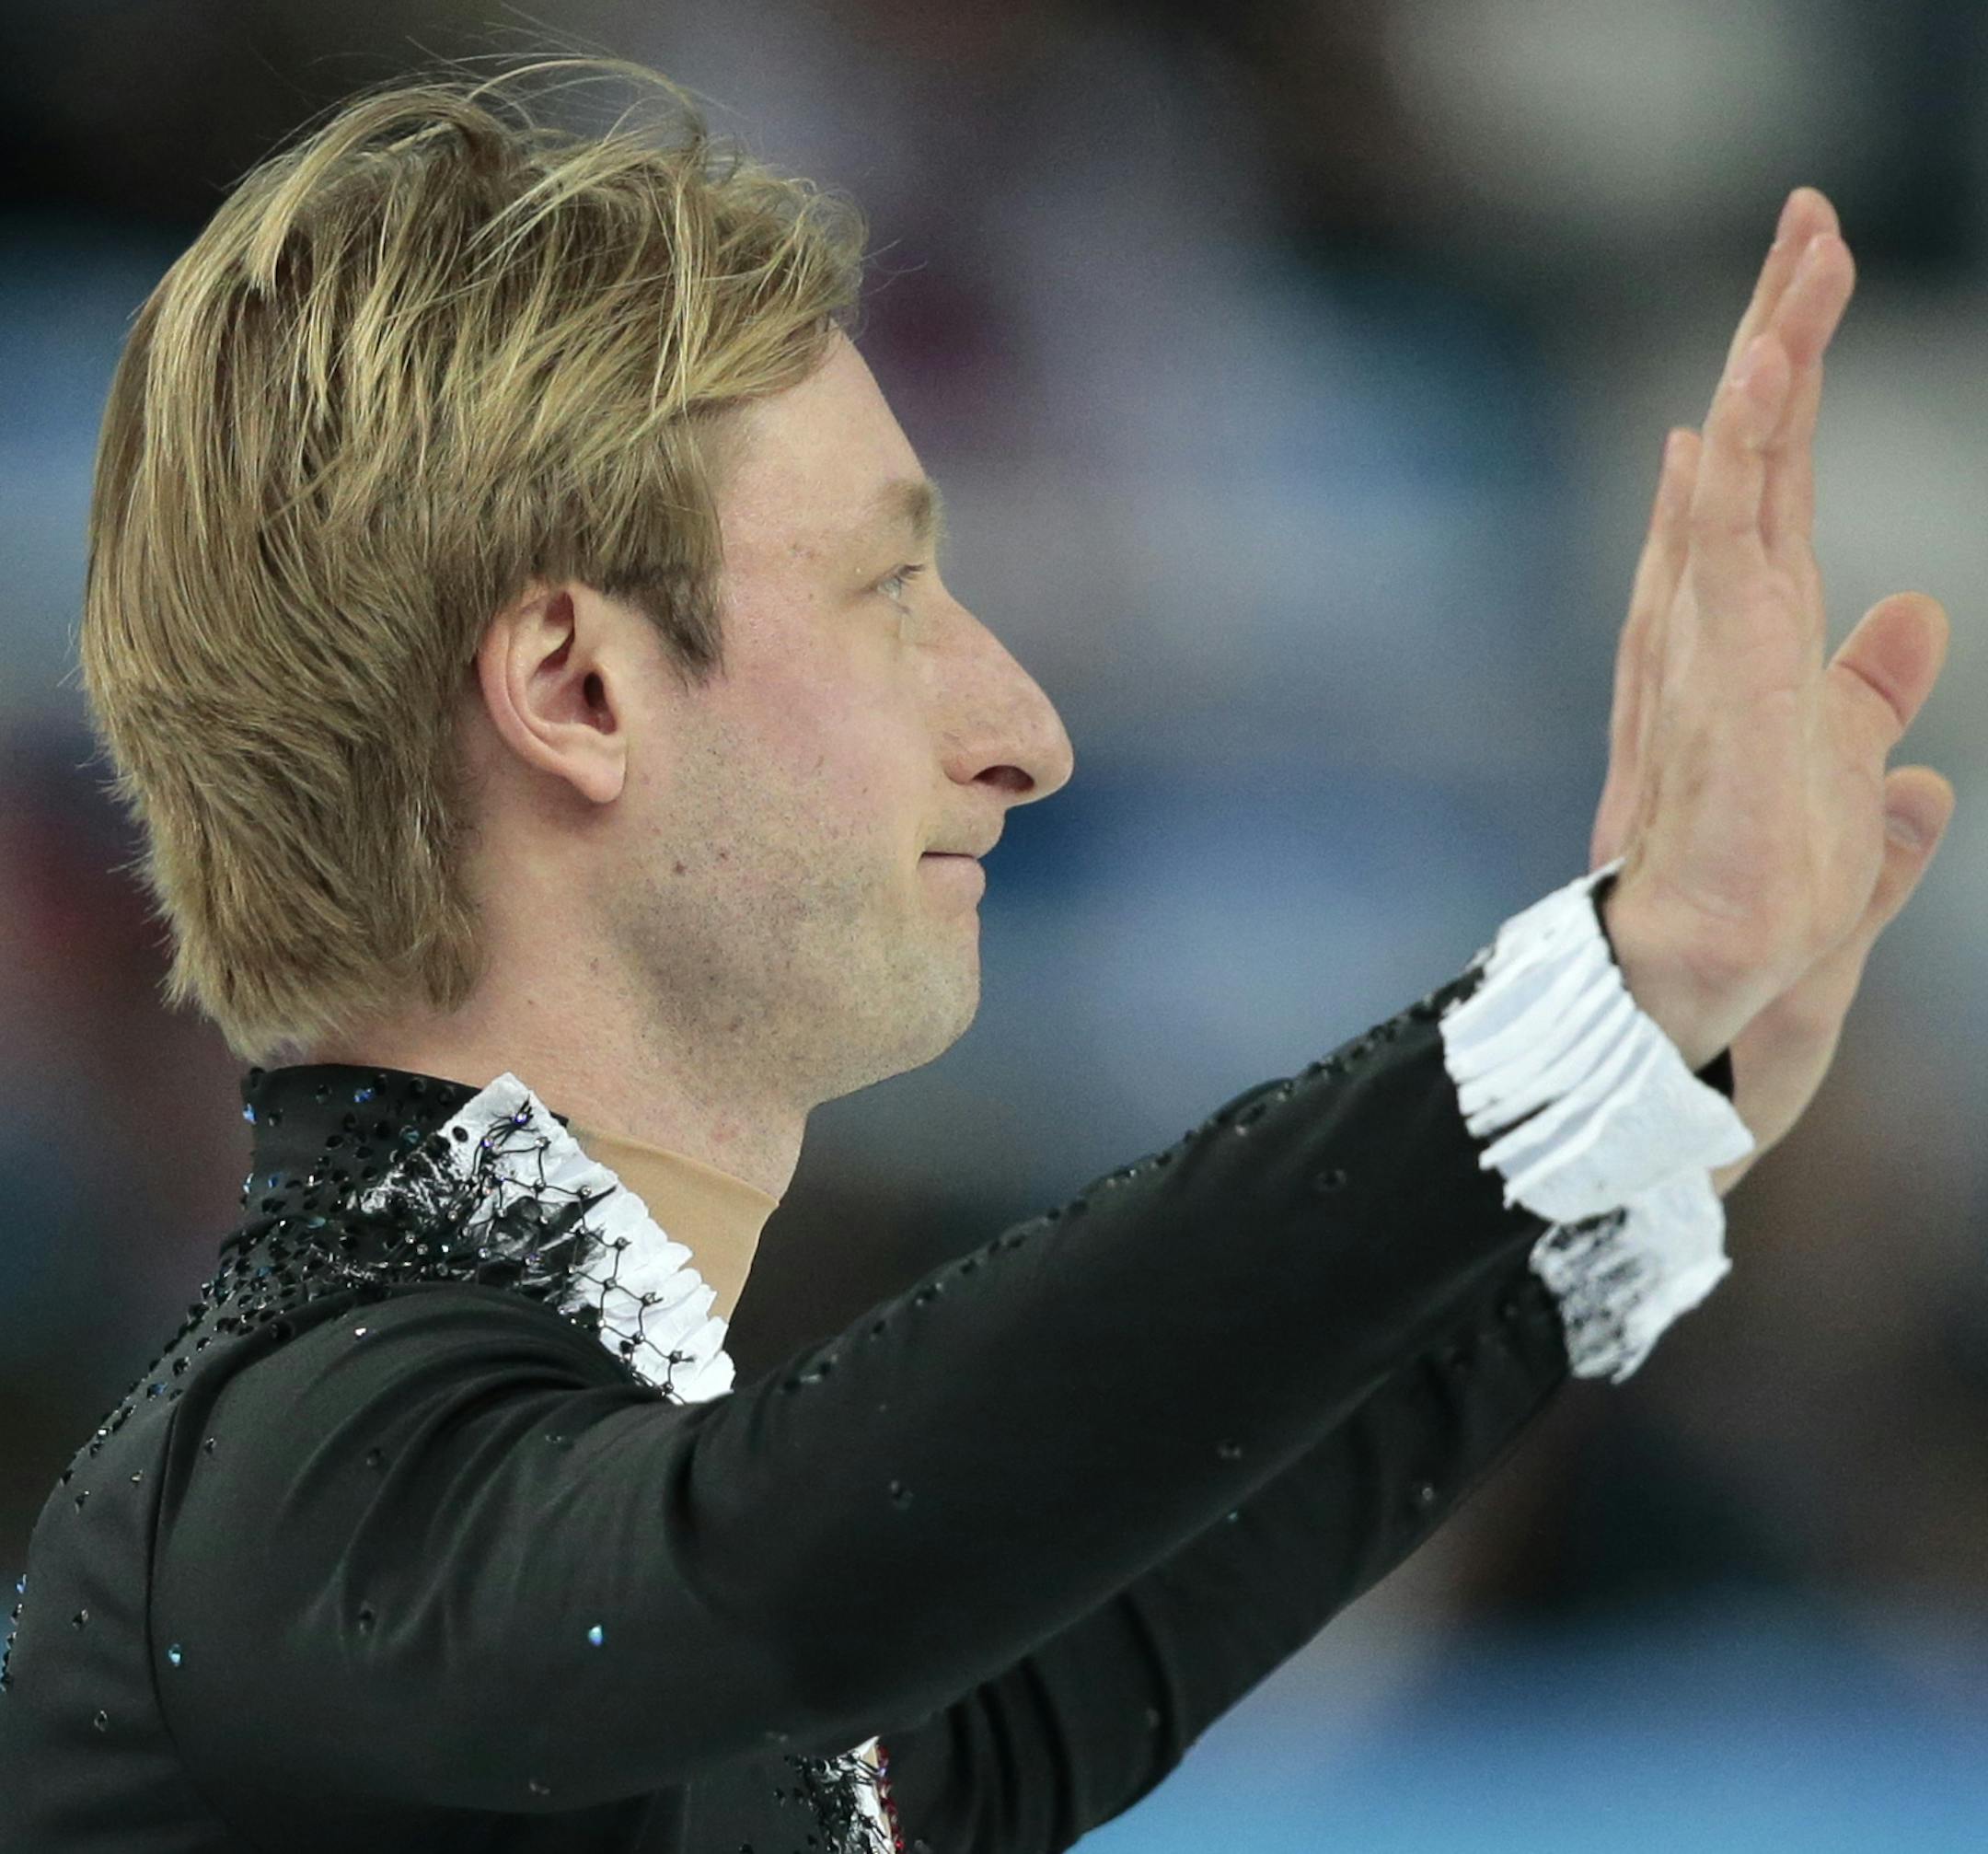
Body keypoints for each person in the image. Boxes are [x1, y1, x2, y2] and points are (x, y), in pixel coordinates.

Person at [0, 53, 1954, 1854]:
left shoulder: (549, 1589)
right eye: (892, 591)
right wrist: (1594, 1008)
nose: (1027, 728)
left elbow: (1043, 1659)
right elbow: (800, 1559)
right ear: (580, 690)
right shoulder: (295, 1496)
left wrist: (1645, 1118)